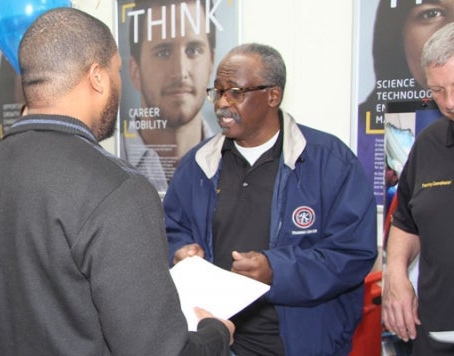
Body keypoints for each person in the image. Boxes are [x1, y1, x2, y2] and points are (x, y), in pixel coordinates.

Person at [0, 7, 233, 355]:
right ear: (97, 77)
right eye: (116, 72)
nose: (119, 84)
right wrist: (216, 333)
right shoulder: (118, 191)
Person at [164, 43, 377, 355]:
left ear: (272, 96)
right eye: (218, 91)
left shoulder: (330, 162)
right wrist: (179, 250)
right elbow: (170, 228)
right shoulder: (197, 164)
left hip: (302, 342)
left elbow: (352, 253)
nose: (222, 103)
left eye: (235, 92)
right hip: (218, 340)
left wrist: (277, 271)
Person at [382, 22, 454, 355]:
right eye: (437, 90)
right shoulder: (430, 143)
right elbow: (406, 221)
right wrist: (395, 273)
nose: (449, 102)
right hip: (437, 336)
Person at [357, 0, 454, 201]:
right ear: (397, 32)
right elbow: (404, 225)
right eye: (432, 13)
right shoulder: (426, 142)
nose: (449, 102)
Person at [121, 0, 217, 192]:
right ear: (135, 71)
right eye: (163, 52)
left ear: (211, 63)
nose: (181, 71)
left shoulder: (230, 159)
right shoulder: (109, 158)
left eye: (193, 50)